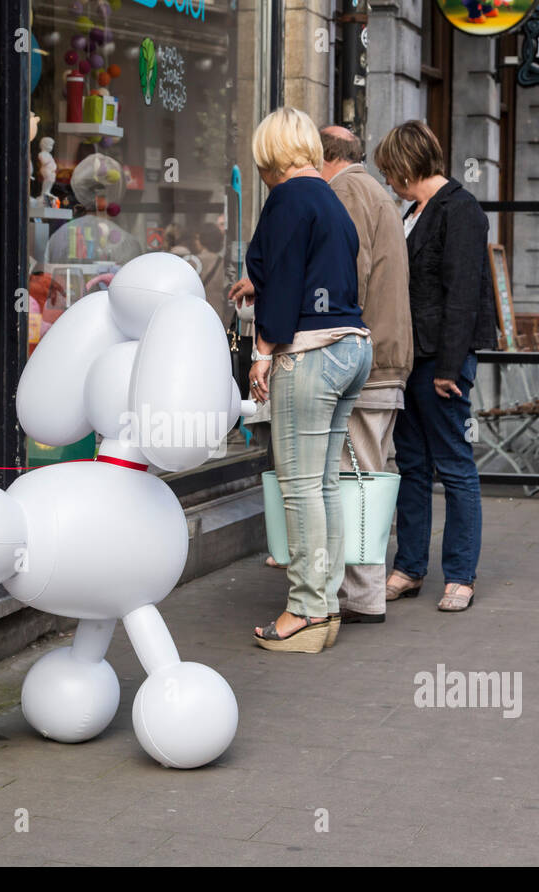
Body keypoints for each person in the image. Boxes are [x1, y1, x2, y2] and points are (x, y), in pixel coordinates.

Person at [228, 106, 371, 653]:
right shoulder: (331, 200)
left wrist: (262, 351)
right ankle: (325, 605)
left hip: (309, 353)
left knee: (300, 487)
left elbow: (287, 280)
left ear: (270, 155)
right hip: (351, 345)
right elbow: (314, 271)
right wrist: (260, 281)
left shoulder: (286, 198)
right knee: (325, 483)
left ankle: (306, 611)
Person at [373, 120, 495, 612]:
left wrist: (448, 367)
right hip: (410, 357)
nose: (387, 179)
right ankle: (410, 567)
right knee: (413, 465)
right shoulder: (414, 210)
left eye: (389, 169)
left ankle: (460, 575)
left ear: (406, 164)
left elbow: (463, 294)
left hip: (440, 360)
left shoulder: (460, 209)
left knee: (454, 466)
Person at [318, 125, 413, 625]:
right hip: (385, 356)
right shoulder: (375, 191)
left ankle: (360, 595)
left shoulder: (347, 190)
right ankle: (362, 591)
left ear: (323, 157)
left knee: (358, 480)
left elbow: (346, 274)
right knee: (369, 476)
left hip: (366, 359)